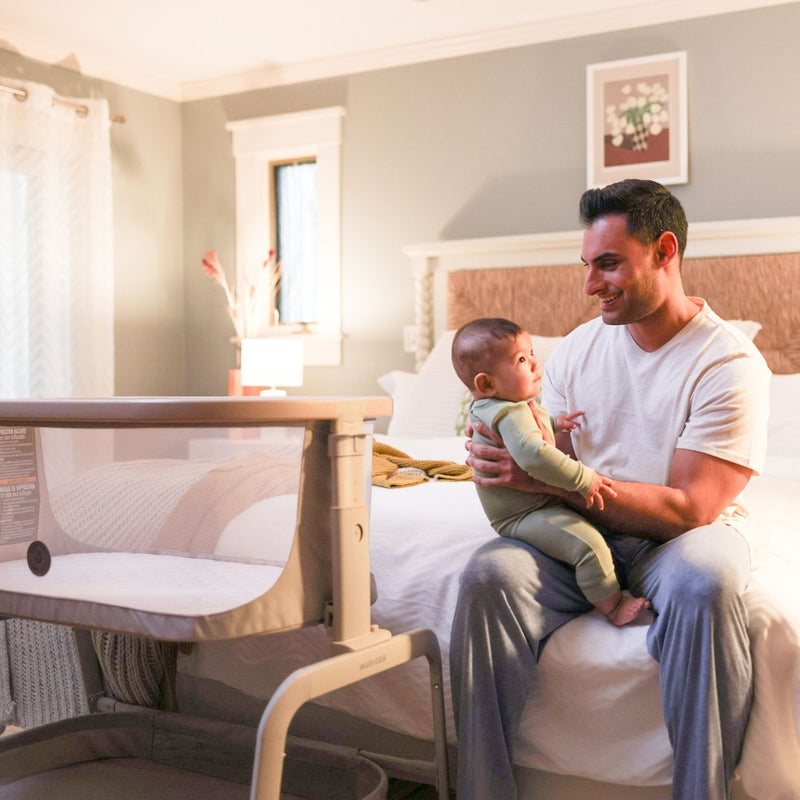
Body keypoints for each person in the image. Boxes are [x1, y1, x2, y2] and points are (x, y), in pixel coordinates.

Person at [449, 178, 770, 800]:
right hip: (583, 533)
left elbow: (689, 508)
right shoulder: (571, 352)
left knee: (708, 581)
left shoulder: (727, 364)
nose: (591, 285)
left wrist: (549, 480)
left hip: (683, 540)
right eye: (587, 266)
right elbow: (548, 459)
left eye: (608, 264)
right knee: (488, 575)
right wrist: (506, 466)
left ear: (664, 251)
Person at [451, 316, 650, 626]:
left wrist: (555, 423)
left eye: (531, 353)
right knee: (589, 545)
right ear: (486, 384)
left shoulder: (509, 404)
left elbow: (530, 425)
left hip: (529, 506)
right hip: (521, 515)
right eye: (520, 359)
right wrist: (585, 479)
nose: (534, 363)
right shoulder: (507, 410)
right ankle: (612, 605)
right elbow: (533, 453)